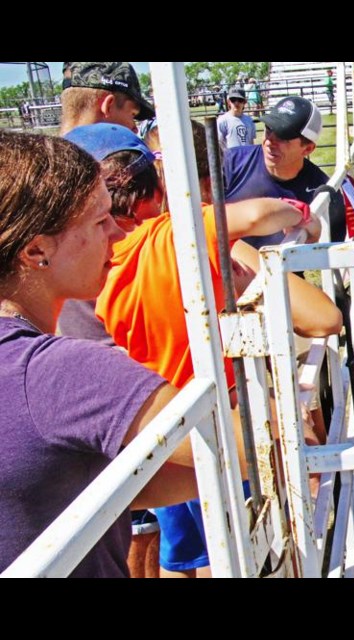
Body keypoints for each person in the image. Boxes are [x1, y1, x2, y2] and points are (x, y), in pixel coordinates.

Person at [97, 119, 341, 578]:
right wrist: (299, 215)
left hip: (150, 425)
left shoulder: (102, 263)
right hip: (211, 418)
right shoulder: (182, 237)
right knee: (231, 545)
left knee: (182, 553)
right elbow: (323, 316)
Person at [0, 130, 206, 577]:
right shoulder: (58, 372)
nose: (117, 230)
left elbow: (57, 488)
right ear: (37, 250)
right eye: (98, 221)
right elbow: (229, 442)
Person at [222, 95, 354, 359]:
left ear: (307, 148)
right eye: (269, 129)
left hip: (282, 297)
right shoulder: (230, 164)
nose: (269, 140)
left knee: (307, 380)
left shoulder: (321, 194)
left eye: (283, 136)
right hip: (223, 289)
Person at [58, 124, 163, 345]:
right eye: (100, 221)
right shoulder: (171, 247)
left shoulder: (62, 265)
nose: (115, 235)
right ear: (157, 192)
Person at [58, 62, 156, 134]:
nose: (135, 129)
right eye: (132, 114)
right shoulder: (128, 159)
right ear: (108, 106)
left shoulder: (46, 157)